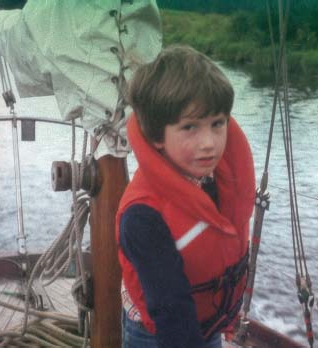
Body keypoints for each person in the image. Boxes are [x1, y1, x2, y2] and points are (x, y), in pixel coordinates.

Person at [116, 45, 256, 348]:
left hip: (209, 326)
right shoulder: (142, 217)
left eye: (217, 124)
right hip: (156, 335)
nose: (209, 143)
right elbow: (172, 313)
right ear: (156, 137)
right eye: (189, 127)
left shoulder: (215, 180)